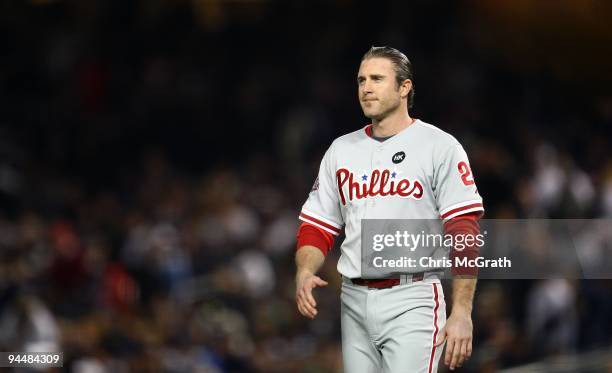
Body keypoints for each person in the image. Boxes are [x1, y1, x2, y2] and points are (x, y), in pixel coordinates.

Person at [295, 46, 484, 372]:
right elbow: (317, 225)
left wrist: (462, 311)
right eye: (361, 80)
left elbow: (464, 229)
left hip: (413, 297)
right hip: (353, 300)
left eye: (377, 79)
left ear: (404, 87)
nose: (366, 87)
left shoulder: (439, 146)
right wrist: (304, 270)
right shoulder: (341, 150)